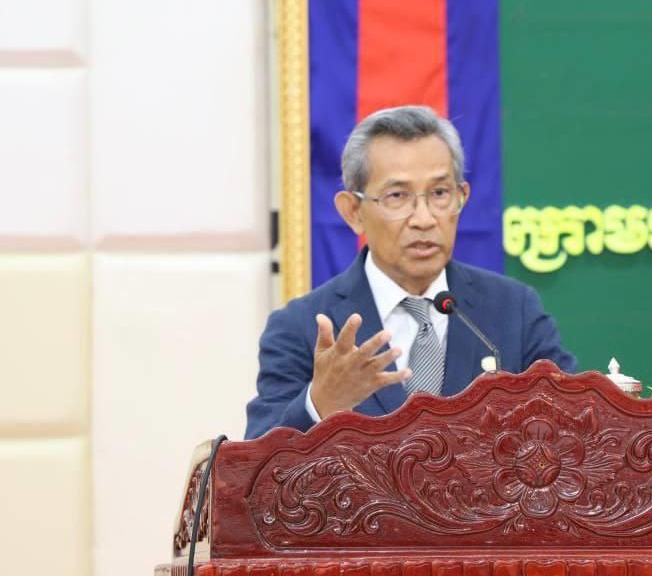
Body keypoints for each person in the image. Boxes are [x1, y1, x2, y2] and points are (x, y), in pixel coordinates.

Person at [245, 105, 577, 438]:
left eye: (439, 193)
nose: (424, 219)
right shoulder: (300, 328)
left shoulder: (512, 310)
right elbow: (258, 462)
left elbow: (574, 427)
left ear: (462, 197)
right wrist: (320, 404)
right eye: (397, 196)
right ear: (353, 211)